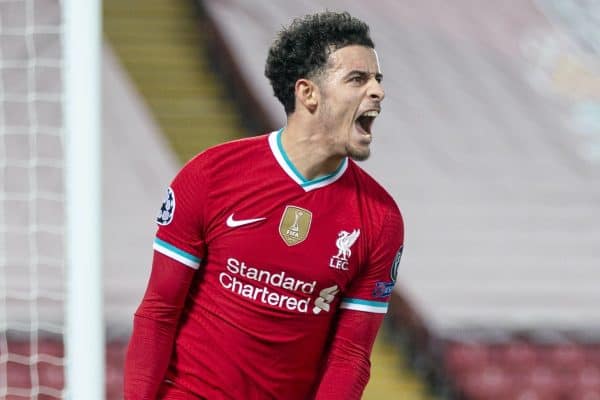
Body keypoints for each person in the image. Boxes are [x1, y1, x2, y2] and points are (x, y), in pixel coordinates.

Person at [124, 10, 404, 400]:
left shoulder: (381, 218)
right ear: (308, 93)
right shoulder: (211, 175)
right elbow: (158, 311)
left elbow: (350, 355)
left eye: (377, 80)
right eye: (358, 79)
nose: (377, 91)